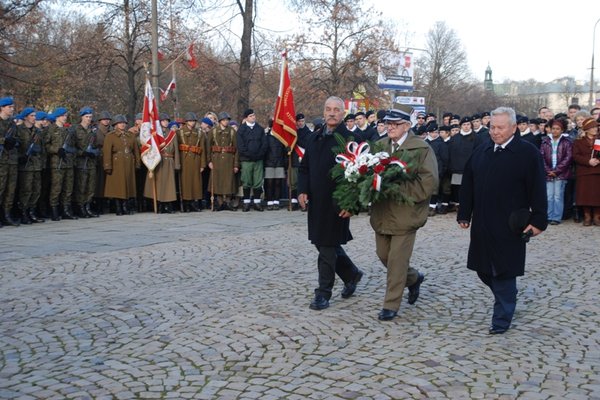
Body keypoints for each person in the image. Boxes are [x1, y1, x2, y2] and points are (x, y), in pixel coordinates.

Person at [458, 107, 547, 335]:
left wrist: (538, 220)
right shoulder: (482, 149)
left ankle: (501, 318)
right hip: (483, 221)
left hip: (511, 221)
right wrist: (464, 213)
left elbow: (538, 188)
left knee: (505, 271)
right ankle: (506, 295)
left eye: (500, 128)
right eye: (492, 127)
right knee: (482, 269)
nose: (495, 132)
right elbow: (468, 182)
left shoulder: (527, 153)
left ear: (513, 128)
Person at [370, 108, 438, 321]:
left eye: (396, 124)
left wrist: (399, 191)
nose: (390, 127)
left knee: (397, 261)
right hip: (382, 213)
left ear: (407, 126)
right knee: (384, 256)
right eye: (388, 123)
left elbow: (429, 183)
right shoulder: (380, 146)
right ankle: (414, 278)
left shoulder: (421, 148)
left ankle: (391, 305)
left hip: (406, 215)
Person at [298, 96, 364, 310]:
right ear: (324, 112)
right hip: (317, 201)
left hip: (338, 202)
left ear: (343, 113)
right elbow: (304, 167)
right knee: (322, 242)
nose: (332, 113)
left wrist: (351, 203)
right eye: (328, 109)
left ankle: (323, 292)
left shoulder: (349, 138)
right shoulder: (315, 137)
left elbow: (358, 174)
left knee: (326, 245)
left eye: (336, 109)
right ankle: (351, 274)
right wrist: (302, 190)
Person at [103, 115, 140, 215]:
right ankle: (118, 207)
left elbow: (136, 151)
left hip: (128, 163)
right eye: (120, 123)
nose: (122, 124)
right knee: (118, 186)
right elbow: (107, 152)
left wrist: (137, 163)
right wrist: (107, 166)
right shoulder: (110, 136)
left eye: (124, 123)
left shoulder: (131, 135)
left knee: (128, 184)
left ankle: (125, 206)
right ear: (115, 125)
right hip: (117, 163)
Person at [46, 107, 78, 221]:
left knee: (68, 188)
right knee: (56, 187)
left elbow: (73, 145)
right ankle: (54, 209)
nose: (65, 117)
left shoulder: (68, 130)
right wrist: (56, 150)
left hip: (68, 162)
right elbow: (46, 145)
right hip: (57, 163)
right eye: (63, 115)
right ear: (57, 117)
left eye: (66, 115)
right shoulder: (51, 129)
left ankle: (66, 210)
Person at [540, 118, 573, 225]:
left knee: (558, 195)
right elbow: (541, 157)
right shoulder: (545, 141)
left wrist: (557, 171)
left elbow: (568, 158)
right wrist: (548, 170)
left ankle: (556, 217)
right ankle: (549, 216)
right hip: (548, 173)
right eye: (553, 128)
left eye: (557, 129)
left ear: (562, 130)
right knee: (549, 195)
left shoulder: (567, 142)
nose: (555, 131)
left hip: (561, 174)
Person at [16, 107, 45, 224]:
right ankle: (23, 212)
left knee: (36, 190)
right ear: (25, 117)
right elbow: (15, 146)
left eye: (35, 116)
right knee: (26, 190)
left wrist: (42, 163)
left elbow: (42, 149)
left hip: (36, 164)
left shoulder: (38, 131)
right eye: (32, 116)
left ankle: (31, 212)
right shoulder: (18, 130)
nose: (34, 118)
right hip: (25, 165)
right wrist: (20, 157)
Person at [237, 108, 268, 211]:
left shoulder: (259, 129)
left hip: (258, 160)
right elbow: (240, 146)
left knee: (258, 181)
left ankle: (257, 202)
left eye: (254, 115)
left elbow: (264, 144)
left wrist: (259, 155)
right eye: (251, 116)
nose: (253, 117)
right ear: (246, 118)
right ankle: (246, 202)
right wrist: (249, 155)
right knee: (246, 181)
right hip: (246, 160)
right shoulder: (241, 130)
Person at [207, 112, 239, 211]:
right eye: (224, 120)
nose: (226, 121)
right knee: (218, 181)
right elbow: (208, 147)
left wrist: (236, 164)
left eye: (227, 120)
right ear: (220, 121)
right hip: (216, 159)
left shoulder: (232, 131)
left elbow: (237, 149)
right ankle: (220, 202)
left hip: (229, 159)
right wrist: (209, 161)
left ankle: (228, 202)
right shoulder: (213, 131)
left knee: (229, 181)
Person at [573, 117, 600, 226]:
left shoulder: (599, 140)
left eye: (596, 127)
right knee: (585, 195)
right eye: (592, 127)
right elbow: (575, 156)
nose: (595, 129)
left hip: (598, 171)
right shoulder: (578, 142)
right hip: (584, 172)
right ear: (587, 129)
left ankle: (597, 216)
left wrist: (598, 160)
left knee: (597, 195)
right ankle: (587, 216)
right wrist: (588, 161)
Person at [73, 107, 100, 218]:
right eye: (87, 117)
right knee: (81, 186)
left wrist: (94, 152)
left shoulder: (93, 130)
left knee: (90, 186)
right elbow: (73, 146)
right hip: (81, 162)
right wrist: (82, 153)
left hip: (91, 162)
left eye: (90, 117)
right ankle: (80, 207)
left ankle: (87, 206)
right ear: (82, 117)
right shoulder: (75, 130)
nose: (89, 119)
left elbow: (96, 145)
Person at [178, 112, 206, 212]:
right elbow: (176, 150)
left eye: (193, 121)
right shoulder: (179, 132)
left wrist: (203, 164)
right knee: (185, 182)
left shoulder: (200, 133)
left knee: (196, 182)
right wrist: (177, 163)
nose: (192, 123)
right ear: (186, 122)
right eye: (190, 121)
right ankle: (186, 203)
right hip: (184, 160)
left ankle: (194, 202)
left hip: (196, 160)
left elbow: (202, 149)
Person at [0, 97, 20, 227]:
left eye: (12, 107)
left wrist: (15, 142)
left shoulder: (13, 124)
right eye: (9, 107)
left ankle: (6, 215)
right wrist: (3, 141)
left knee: (10, 190)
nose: (12, 109)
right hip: (1, 160)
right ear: (2, 108)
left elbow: (17, 138)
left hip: (11, 160)